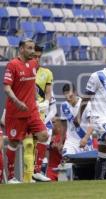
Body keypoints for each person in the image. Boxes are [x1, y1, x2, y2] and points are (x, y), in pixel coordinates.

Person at [3, 39, 48, 184]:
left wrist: (37, 100)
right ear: (21, 49)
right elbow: (7, 88)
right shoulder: (12, 65)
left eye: (33, 48)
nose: (33, 51)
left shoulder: (34, 64)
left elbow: (31, 85)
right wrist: (17, 102)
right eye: (29, 48)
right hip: (16, 112)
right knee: (14, 143)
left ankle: (37, 171)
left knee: (44, 136)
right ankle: (10, 177)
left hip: (32, 111)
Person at [23, 45, 54, 182]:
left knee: (42, 138)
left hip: (40, 110)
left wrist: (46, 103)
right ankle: (27, 176)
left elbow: (48, 92)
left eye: (39, 57)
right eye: (35, 56)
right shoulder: (24, 70)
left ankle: (37, 170)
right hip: (26, 110)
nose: (37, 59)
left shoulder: (47, 72)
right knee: (28, 143)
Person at [60, 84, 93, 156]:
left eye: (70, 96)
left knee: (84, 165)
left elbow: (92, 123)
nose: (68, 99)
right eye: (66, 97)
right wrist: (61, 142)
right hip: (70, 141)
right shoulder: (64, 106)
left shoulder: (86, 105)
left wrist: (85, 138)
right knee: (66, 160)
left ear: (75, 93)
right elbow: (63, 126)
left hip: (85, 140)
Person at [46, 116, 65, 181]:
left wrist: (58, 146)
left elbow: (65, 151)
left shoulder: (65, 136)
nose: (51, 124)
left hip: (63, 167)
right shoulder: (49, 137)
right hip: (51, 168)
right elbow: (46, 153)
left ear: (59, 123)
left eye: (53, 122)